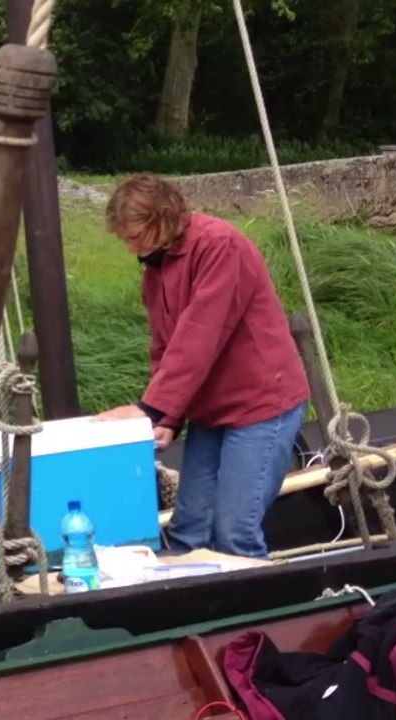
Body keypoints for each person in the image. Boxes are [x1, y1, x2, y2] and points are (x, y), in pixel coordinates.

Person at [95, 173, 310, 560]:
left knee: (234, 533)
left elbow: (201, 335)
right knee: (188, 530)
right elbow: (166, 346)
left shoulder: (219, 246)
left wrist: (151, 409)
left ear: (163, 218)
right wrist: (168, 419)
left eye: (135, 236)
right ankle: (194, 612)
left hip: (261, 405)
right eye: (125, 238)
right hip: (211, 411)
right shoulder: (156, 269)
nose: (130, 247)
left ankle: (253, 617)